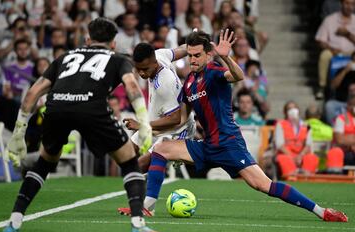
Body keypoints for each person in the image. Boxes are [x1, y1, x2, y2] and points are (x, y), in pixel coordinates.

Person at [119, 29, 348, 222]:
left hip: (229, 145)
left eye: (197, 55)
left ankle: (321, 211)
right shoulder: (188, 82)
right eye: (189, 56)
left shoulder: (215, 73)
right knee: (161, 148)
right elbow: (179, 119)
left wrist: (225, 57)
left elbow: (237, 76)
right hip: (208, 145)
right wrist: (145, 127)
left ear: (209, 54)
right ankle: (147, 205)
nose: (193, 60)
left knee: (265, 186)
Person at [1, 18, 166, 232]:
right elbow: (132, 86)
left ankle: (14, 222)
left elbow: (33, 92)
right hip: (91, 107)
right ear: (113, 43)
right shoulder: (117, 59)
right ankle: (138, 225)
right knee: (128, 160)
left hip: (56, 106)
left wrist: (19, 132)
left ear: (88, 39)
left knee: (44, 163)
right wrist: (144, 122)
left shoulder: (64, 57)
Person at [121, 42, 196, 174]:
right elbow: (182, 49)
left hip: (176, 130)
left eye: (145, 69)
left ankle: (144, 191)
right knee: (127, 156)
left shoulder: (164, 83)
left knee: (139, 166)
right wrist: (196, 43)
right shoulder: (160, 54)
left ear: (154, 62)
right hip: (157, 124)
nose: (141, 73)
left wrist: (142, 125)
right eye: (138, 69)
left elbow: (175, 119)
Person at [275, 101, 319, 177]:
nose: (292, 110)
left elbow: (308, 145)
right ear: (285, 112)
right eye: (289, 109)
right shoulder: (281, 124)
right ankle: (291, 175)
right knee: (283, 158)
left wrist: (300, 156)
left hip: (301, 155)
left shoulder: (306, 125)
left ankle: (307, 175)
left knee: (312, 157)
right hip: (287, 154)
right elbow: (280, 145)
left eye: (294, 108)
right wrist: (293, 157)